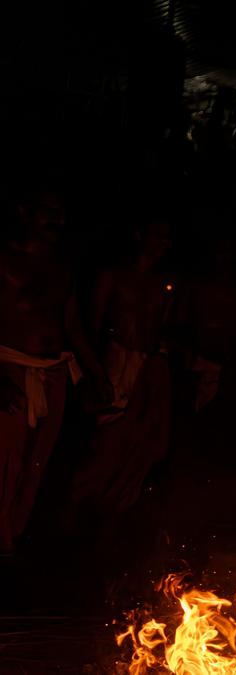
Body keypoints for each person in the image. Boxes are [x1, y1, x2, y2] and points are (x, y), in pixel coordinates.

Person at [0, 185, 111, 553]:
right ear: (23, 211)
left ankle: (11, 539)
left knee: (35, 464)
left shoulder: (63, 264)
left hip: (54, 373)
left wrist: (95, 371)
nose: (56, 218)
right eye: (47, 209)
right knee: (6, 462)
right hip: (11, 368)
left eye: (60, 211)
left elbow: (71, 323)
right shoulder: (5, 259)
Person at [70, 218, 174, 522]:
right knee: (106, 445)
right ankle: (74, 515)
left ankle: (111, 522)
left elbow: (163, 327)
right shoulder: (112, 275)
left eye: (168, 238)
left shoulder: (163, 282)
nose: (163, 244)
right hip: (117, 366)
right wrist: (94, 371)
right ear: (139, 234)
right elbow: (91, 326)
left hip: (150, 369)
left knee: (144, 448)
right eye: (158, 235)